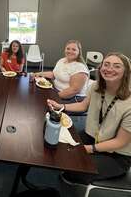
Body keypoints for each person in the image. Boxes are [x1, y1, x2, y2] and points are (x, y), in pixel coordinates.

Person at [47, 52, 131, 184]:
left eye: (117, 66)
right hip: (93, 136)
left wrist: (89, 149)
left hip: (117, 155)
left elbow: (120, 142)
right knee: (61, 147)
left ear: (126, 72)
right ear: (100, 67)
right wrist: (60, 106)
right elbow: (83, 105)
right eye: (106, 64)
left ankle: (74, 177)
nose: (109, 69)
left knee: (78, 168)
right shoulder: (96, 86)